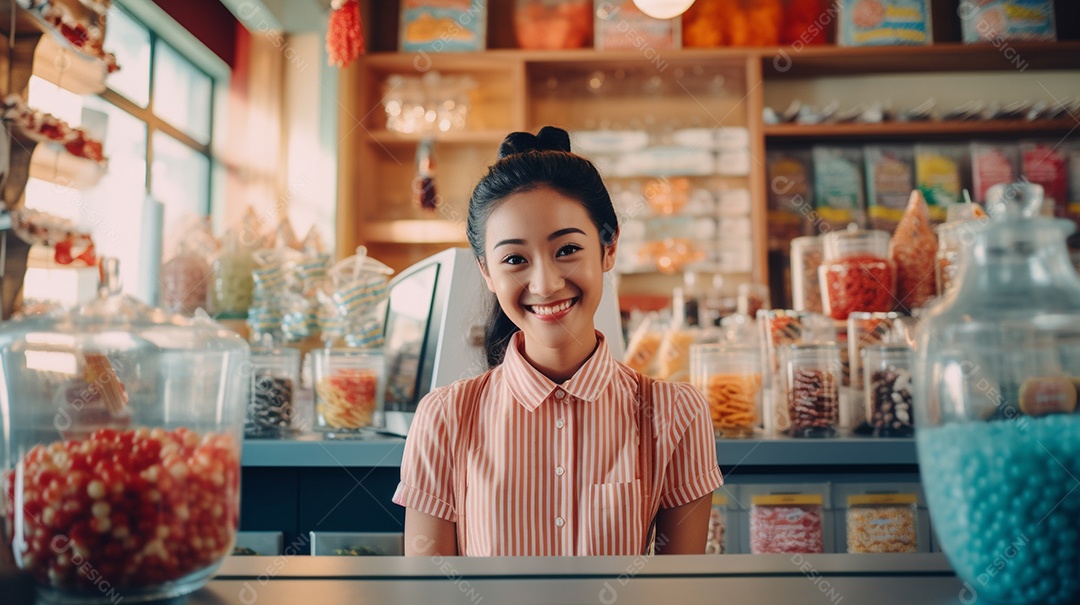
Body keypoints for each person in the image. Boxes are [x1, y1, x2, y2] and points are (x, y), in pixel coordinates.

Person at [392, 126, 723, 556]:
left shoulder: (676, 414)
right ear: (486, 271)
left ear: (608, 248)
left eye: (566, 250)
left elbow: (678, 588)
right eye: (515, 259)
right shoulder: (444, 418)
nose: (545, 284)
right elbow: (430, 589)